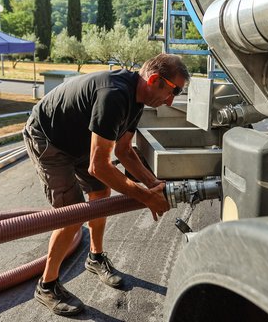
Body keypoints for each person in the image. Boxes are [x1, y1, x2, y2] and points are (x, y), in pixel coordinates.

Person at [23, 53, 190, 316]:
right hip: (49, 137)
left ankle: (95, 257)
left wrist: (153, 182)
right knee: (72, 214)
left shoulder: (136, 99)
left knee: (101, 192)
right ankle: (47, 285)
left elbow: (124, 150)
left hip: (79, 138)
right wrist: (147, 197)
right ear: (155, 79)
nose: (171, 101)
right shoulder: (114, 95)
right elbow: (98, 166)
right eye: (173, 91)